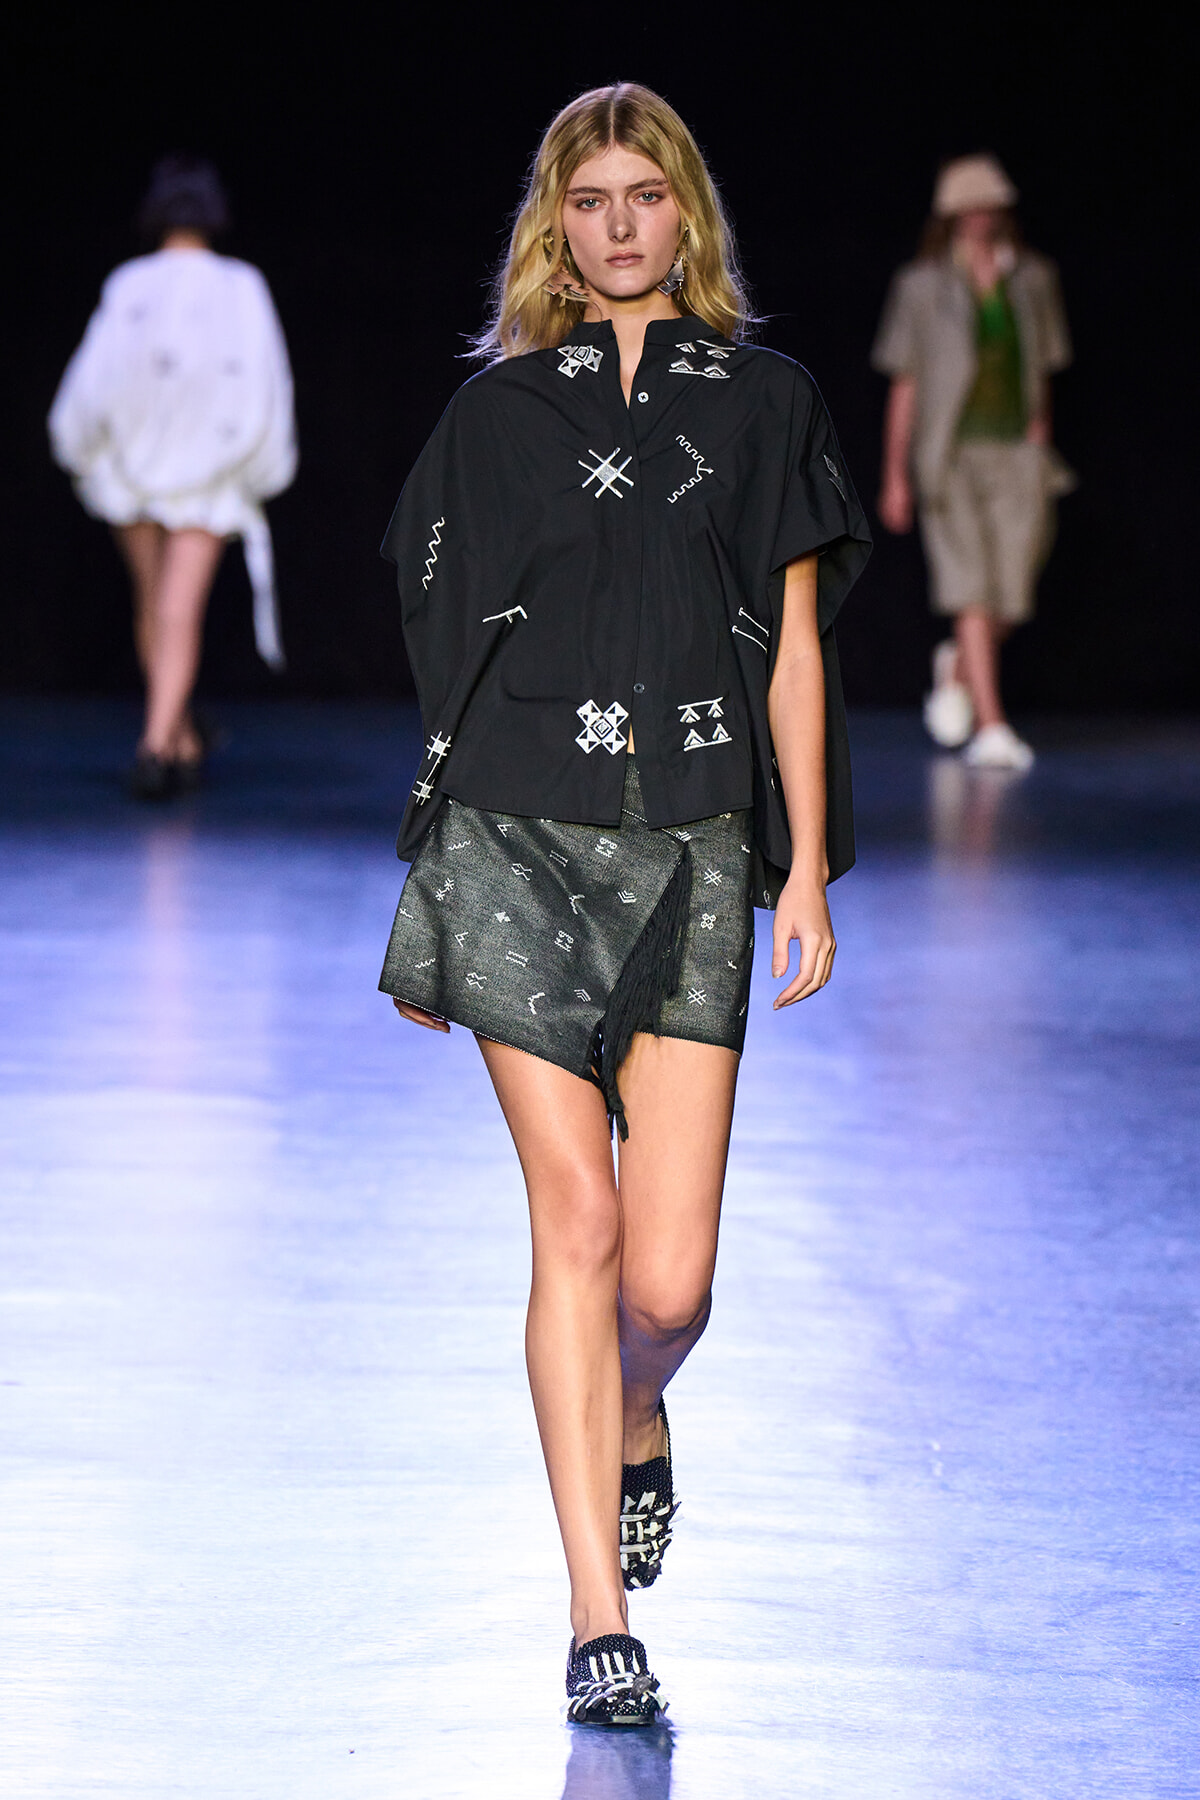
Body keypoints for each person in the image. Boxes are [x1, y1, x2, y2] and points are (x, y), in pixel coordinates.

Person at [378, 83, 870, 1725]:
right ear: (555, 223)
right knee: (574, 1229)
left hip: (700, 847)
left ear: (685, 217)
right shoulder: (500, 413)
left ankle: (638, 1409)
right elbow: (444, 631)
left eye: (642, 196)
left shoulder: (768, 404)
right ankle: (598, 1618)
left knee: (666, 1289)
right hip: (517, 841)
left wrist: (803, 860)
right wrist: (433, 872)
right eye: (585, 197)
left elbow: (795, 644)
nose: (616, 224)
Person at [48, 155, 297, 799]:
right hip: (210, 470)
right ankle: (165, 743)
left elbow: (93, 381)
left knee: (154, 605)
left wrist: (83, 449)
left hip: (128, 467)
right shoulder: (239, 285)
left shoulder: (132, 284)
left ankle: (168, 738)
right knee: (175, 609)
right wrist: (258, 464)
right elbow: (267, 381)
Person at [873, 154, 1073, 772]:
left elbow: (1043, 364)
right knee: (972, 591)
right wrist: (895, 475)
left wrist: (1039, 433)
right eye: (972, 206)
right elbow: (904, 383)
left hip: (1016, 453)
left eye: (992, 204)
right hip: (950, 454)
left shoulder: (1033, 278)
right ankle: (992, 725)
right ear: (953, 213)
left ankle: (957, 665)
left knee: (1012, 591)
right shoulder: (922, 285)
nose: (983, 216)